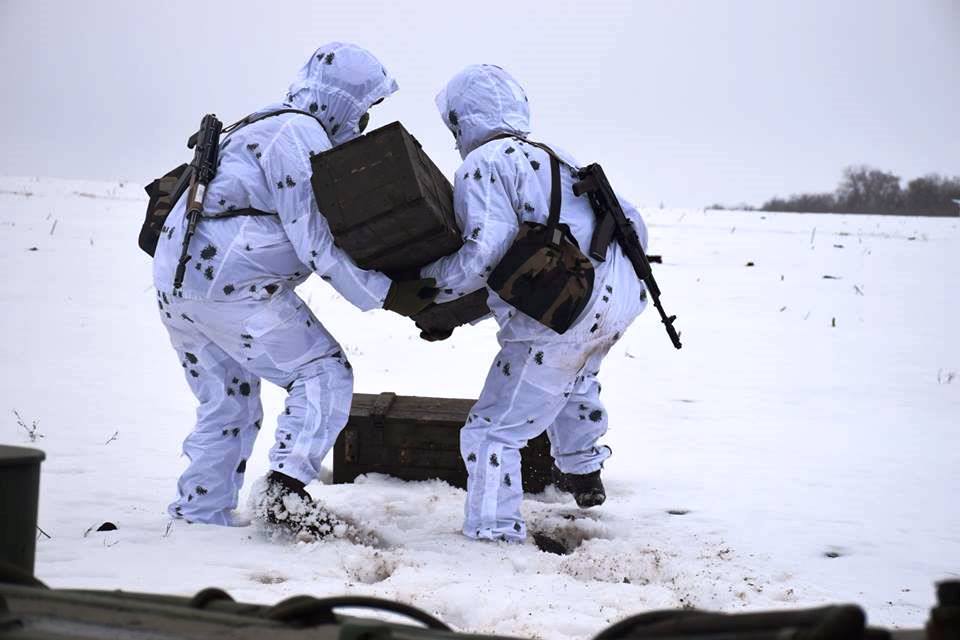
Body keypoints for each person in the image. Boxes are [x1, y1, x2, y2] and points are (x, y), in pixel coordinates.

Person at [152, 42, 437, 528]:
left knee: (228, 403)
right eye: (364, 106)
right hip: (231, 286)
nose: (364, 120)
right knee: (323, 372)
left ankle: (199, 515)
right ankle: (284, 490)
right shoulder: (296, 133)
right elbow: (316, 239)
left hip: (178, 284)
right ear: (343, 99)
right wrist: (386, 294)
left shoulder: (259, 122)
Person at [420, 65, 650, 544]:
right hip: (617, 296)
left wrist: (430, 287)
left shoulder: (485, 163)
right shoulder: (554, 156)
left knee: (492, 431)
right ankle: (584, 472)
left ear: (464, 118)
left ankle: (494, 534)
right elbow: (627, 221)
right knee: (574, 375)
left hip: (563, 312)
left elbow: (484, 254)